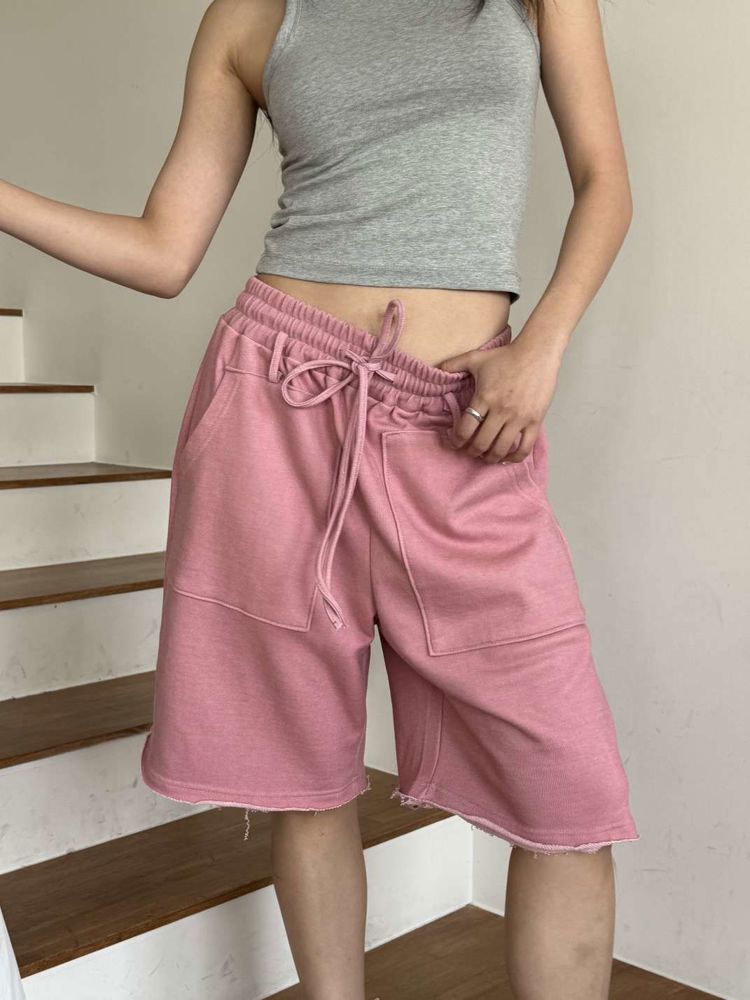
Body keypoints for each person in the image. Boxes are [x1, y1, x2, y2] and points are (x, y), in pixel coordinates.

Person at [0, 1, 639, 997]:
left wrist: (545, 344)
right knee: (303, 775)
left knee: (570, 791)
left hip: (467, 414)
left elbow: (606, 181)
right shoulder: (250, 15)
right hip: (276, 406)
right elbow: (165, 250)